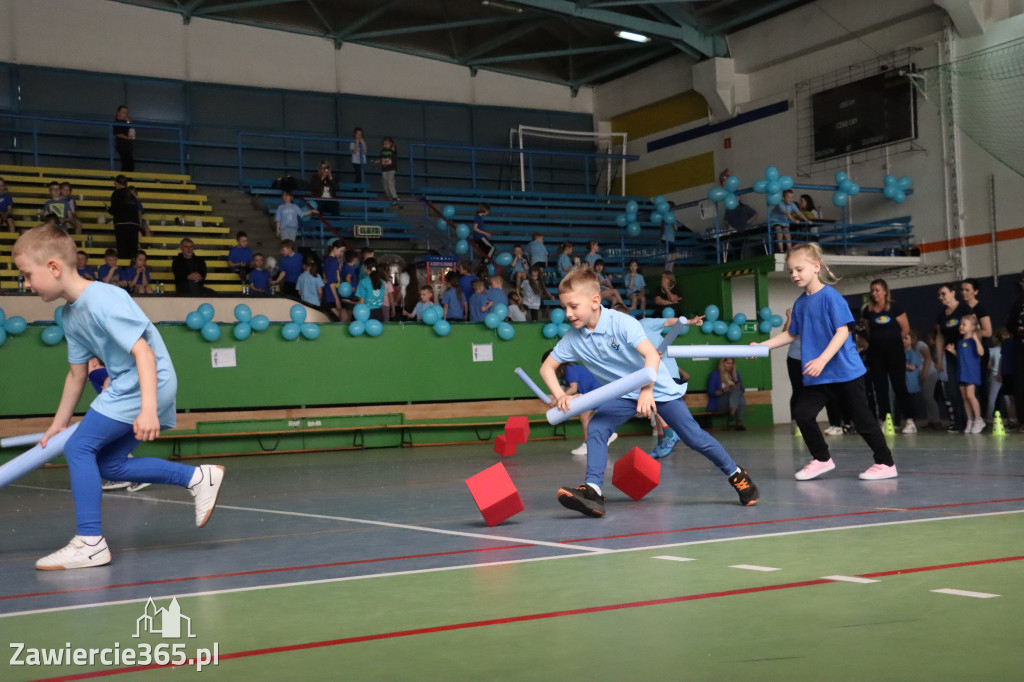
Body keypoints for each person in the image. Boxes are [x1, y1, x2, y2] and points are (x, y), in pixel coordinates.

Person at [11, 224, 224, 570]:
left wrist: (149, 409)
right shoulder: (69, 315)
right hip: (130, 386)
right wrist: (57, 425)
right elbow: (77, 374)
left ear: (53, 267)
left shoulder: (103, 299)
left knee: (79, 448)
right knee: (108, 464)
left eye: (27, 275)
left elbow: (143, 352)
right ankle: (198, 478)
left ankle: (90, 542)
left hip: (144, 384)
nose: (27, 284)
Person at [539, 266, 759, 517]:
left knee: (694, 437)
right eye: (564, 307)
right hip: (623, 393)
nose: (568, 313)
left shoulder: (621, 322)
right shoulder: (573, 337)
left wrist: (647, 390)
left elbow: (652, 356)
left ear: (595, 301)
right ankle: (593, 492)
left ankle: (736, 474)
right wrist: (561, 395)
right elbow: (547, 368)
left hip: (657, 388)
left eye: (573, 306)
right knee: (597, 427)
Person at [755, 243, 896, 481]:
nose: (794, 275)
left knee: (862, 420)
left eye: (799, 269)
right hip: (820, 375)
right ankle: (822, 459)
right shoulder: (801, 303)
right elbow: (792, 334)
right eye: (791, 271)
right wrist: (762, 346)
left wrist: (821, 359)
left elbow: (843, 332)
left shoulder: (831, 297)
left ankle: (886, 463)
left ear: (815, 267)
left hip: (845, 372)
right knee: (802, 413)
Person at [861, 279, 916, 433]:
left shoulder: (895, 307)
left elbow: (905, 328)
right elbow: (868, 331)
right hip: (876, 353)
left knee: (899, 386)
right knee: (880, 388)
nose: (874, 293)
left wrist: (893, 341)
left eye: (877, 290)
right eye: (872, 290)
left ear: (885, 291)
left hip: (895, 352)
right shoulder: (868, 310)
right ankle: (885, 420)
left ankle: (910, 421)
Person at [936, 282, 970, 432]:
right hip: (950, 355)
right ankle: (959, 422)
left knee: (968, 389)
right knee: (953, 389)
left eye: (943, 293)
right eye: (939, 295)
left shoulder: (964, 308)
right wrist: (939, 358)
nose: (941, 297)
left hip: (965, 354)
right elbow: (940, 337)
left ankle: (972, 420)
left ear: (953, 293)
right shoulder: (941, 314)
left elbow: (973, 328)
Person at [946, 314, 985, 434]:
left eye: (964, 324)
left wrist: (976, 339)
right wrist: (953, 351)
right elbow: (961, 356)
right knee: (964, 396)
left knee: (970, 395)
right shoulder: (960, 342)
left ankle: (978, 419)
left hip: (971, 372)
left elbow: (981, 353)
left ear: (972, 327)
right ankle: (970, 419)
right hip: (962, 372)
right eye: (960, 324)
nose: (961, 326)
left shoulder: (973, 341)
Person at [108, 175, 141, 263]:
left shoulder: (116, 193)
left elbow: (113, 210)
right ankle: (133, 268)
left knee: (123, 250)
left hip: (121, 224)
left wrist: (108, 210)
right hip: (134, 225)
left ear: (118, 183)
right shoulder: (131, 195)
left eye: (115, 183)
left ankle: (124, 268)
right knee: (133, 250)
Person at [707, 358, 747, 430]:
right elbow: (711, 392)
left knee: (736, 391)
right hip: (720, 401)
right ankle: (738, 422)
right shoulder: (715, 374)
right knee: (737, 393)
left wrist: (736, 383)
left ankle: (732, 413)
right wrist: (725, 390)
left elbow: (742, 389)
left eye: (731, 363)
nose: (730, 365)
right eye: (728, 363)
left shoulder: (735, 374)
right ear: (722, 364)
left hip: (734, 400)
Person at [1007, 270, 1024, 431]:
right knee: (1020, 384)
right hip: (1020, 347)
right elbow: (1009, 324)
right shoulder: (1018, 303)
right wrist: (1017, 329)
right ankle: (1022, 421)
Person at [769, 189, 809, 253]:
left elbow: (799, 213)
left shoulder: (792, 204)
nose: (791, 199)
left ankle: (790, 250)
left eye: (792, 197)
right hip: (776, 220)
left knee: (788, 235)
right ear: (783, 198)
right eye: (788, 197)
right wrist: (794, 220)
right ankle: (781, 250)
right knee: (779, 233)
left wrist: (806, 220)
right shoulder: (780, 203)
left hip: (784, 221)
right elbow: (786, 213)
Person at [902, 332, 927, 429]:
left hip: (912, 385)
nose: (904, 341)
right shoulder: (900, 353)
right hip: (903, 385)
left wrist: (901, 364)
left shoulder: (914, 353)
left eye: (906, 338)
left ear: (912, 340)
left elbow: (913, 367)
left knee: (912, 405)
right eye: (902, 338)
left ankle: (912, 423)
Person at [355, 256, 386, 321]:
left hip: (366, 313)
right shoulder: (382, 282)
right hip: (379, 313)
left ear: (366, 267)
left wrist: (351, 303)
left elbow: (361, 303)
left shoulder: (363, 282)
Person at [321, 241, 344, 320]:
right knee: (335, 319)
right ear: (335, 248)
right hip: (330, 296)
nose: (342, 254)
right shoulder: (331, 262)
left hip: (331, 295)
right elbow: (331, 282)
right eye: (341, 251)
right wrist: (337, 299)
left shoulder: (331, 260)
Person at [113, 105, 135, 173]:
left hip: (127, 146)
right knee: (127, 164)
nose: (125, 114)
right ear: (118, 113)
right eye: (123, 112)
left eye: (126, 113)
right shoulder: (116, 122)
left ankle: (126, 178)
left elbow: (131, 126)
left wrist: (128, 121)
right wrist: (128, 138)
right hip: (122, 146)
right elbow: (118, 133)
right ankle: (123, 178)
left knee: (129, 165)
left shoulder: (125, 122)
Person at [379, 136, 399, 202]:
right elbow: (381, 158)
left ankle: (394, 196)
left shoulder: (392, 150)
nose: (385, 145)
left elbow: (394, 149)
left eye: (387, 144)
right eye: (384, 144)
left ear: (390, 143)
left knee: (390, 182)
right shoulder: (382, 151)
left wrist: (392, 146)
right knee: (385, 182)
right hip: (384, 169)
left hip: (391, 169)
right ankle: (389, 196)